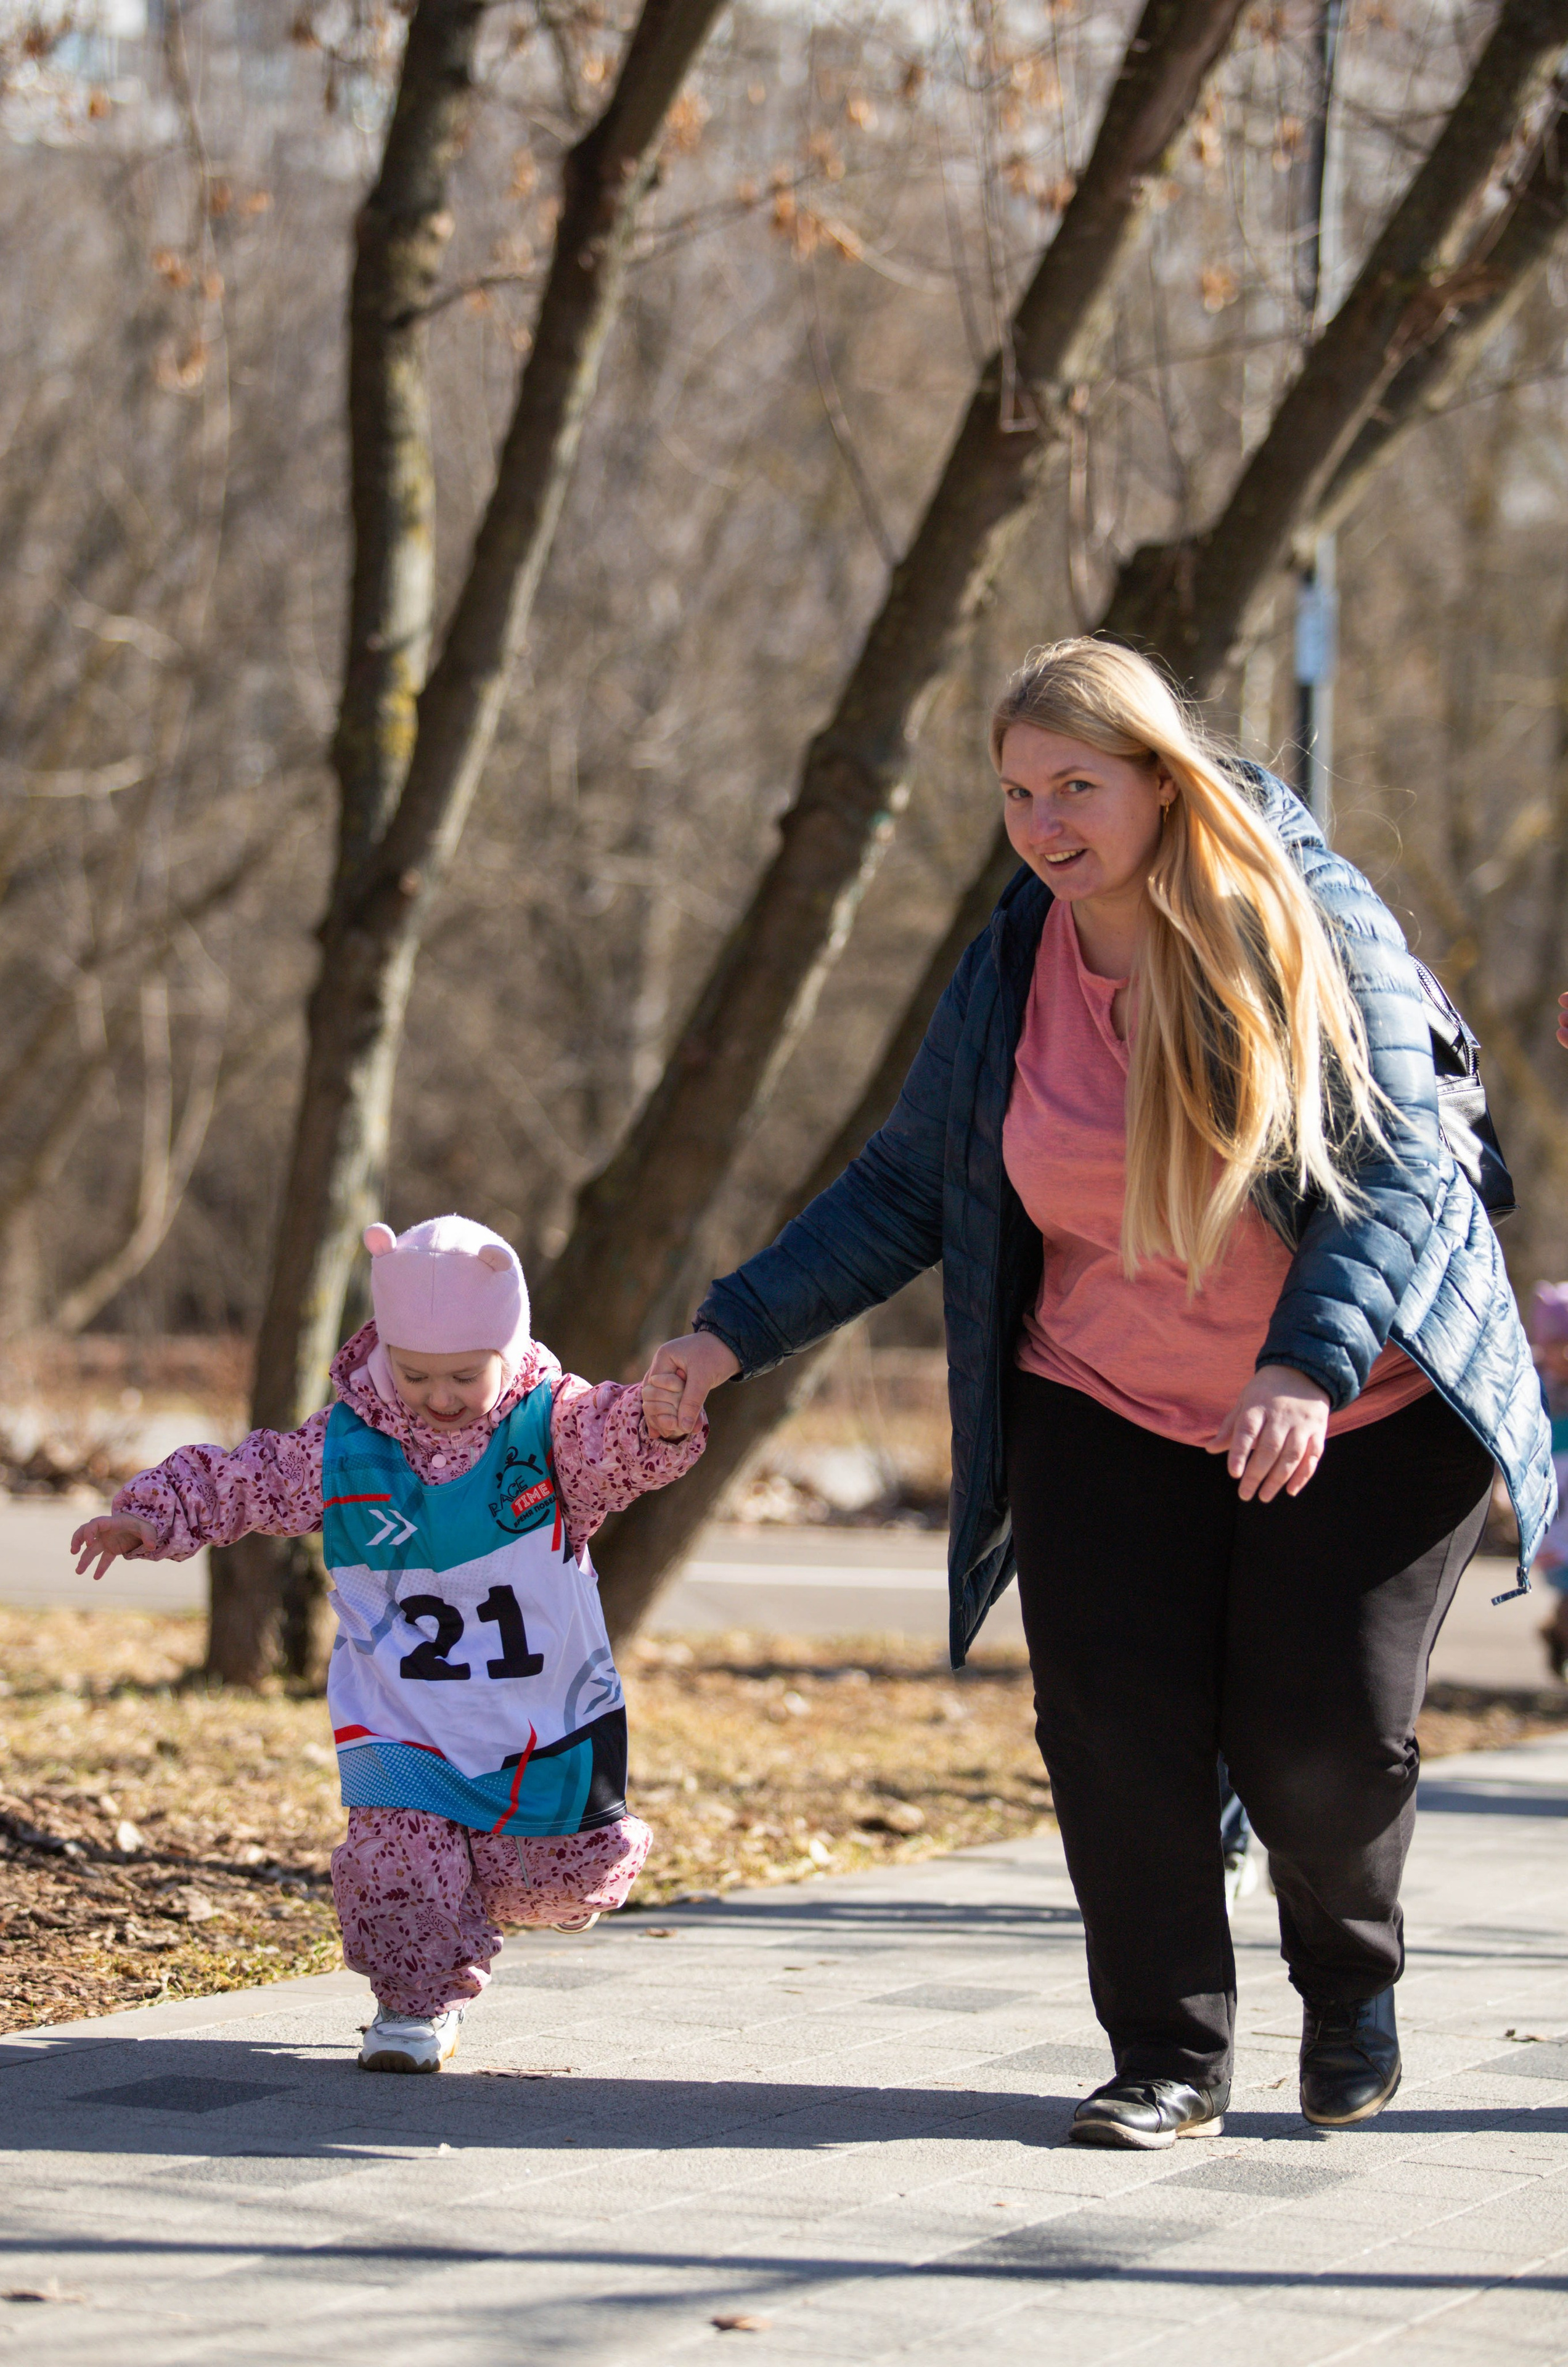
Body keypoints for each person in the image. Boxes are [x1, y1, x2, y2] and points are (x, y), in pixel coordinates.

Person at [642, 638, 1553, 2151]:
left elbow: (1396, 1170)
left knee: (1315, 1739)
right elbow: (905, 1186)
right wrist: (725, 1335)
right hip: (1102, 1392)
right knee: (1110, 1724)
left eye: (1075, 786)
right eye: (1016, 793)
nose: (1042, 823)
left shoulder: (1307, 920)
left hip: (1365, 1398)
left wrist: (1301, 1362)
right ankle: (1167, 2056)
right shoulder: (1014, 963)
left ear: (1160, 780)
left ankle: (1348, 1980)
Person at [71, 1213, 705, 2074]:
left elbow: (618, 1441)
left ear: (509, 1347)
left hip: (539, 1712)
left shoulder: (551, 1428)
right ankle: (414, 2007)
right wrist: (156, 1515)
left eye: (464, 1375)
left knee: (566, 1870)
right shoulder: (347, 1444)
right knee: (395, 1864)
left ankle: (500, 1886)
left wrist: (659, 1423)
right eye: (415, 1375)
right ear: (386, 1352)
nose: (439, 1397)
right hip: (400, 1711)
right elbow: (250, 1477)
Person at [1528, 1281, 1568, 1679]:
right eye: (1559, 1344)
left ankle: (1558, 1634)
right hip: (1556, 1507)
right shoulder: (1532, 1383)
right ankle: (1561, 1636)